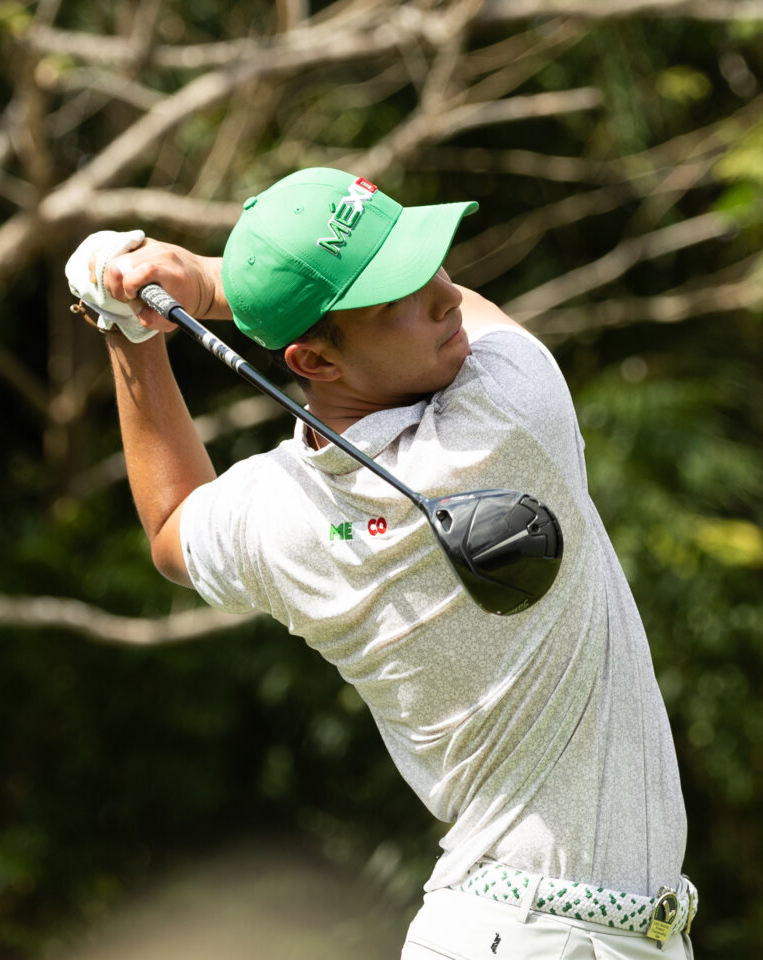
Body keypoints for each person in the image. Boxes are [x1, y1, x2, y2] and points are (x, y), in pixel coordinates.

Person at [65, 168, 694, 959]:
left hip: (508, 932)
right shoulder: (509, 412)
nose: (445, 295)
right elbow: (490, 318)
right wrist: (204, 280)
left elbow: (171, 527)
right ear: (315, 363)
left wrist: (131, 333)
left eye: (426, 261)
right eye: (399, 294)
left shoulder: (281, 518)